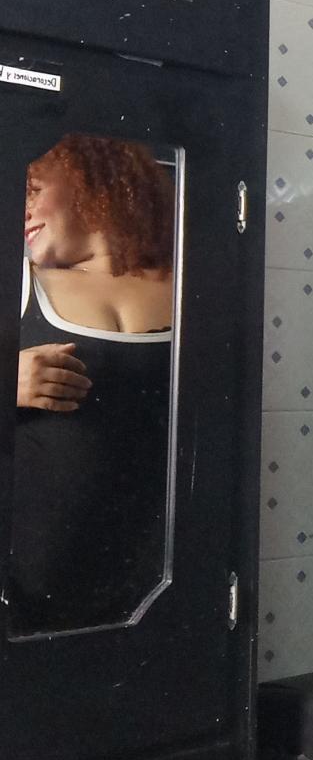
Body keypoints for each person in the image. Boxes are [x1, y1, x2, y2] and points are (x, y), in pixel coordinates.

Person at [12, 133, 175, 634]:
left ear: (93, 180)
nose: (21, 209)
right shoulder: (20, 283)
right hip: (25, 596)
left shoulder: (192, 282)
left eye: (33, 189)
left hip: (158, 591)